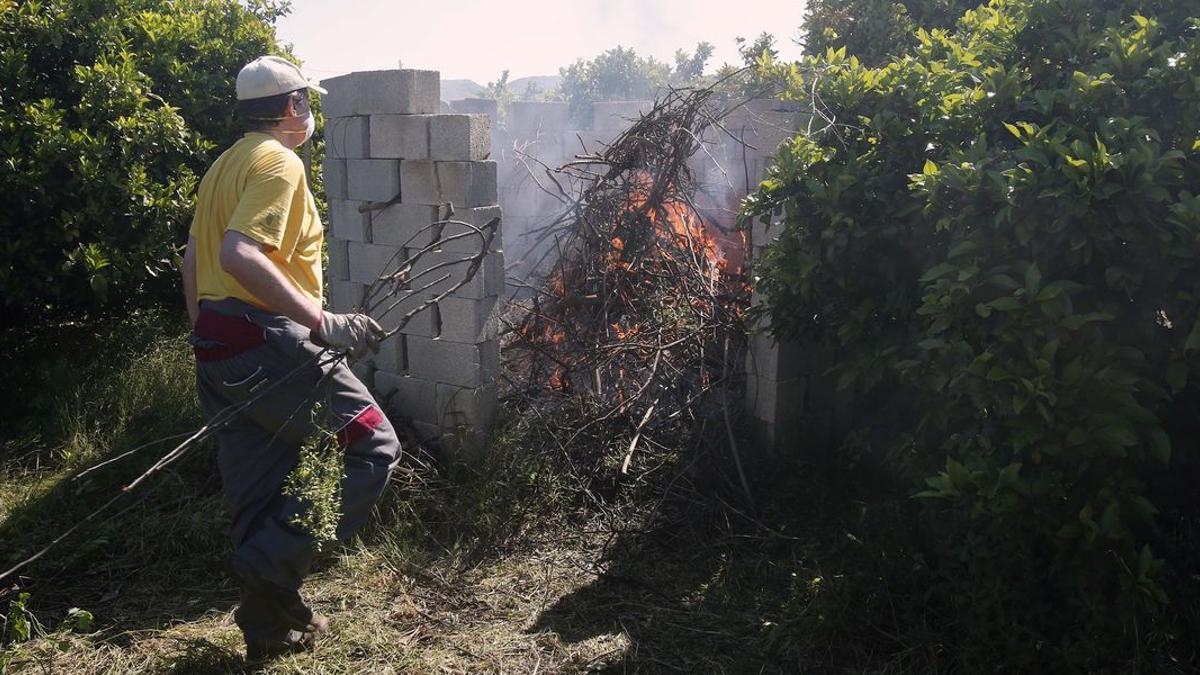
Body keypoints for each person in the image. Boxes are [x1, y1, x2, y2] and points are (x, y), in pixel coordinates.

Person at [180, 55, 401, 661]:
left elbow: (191, 262)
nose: (309, 112)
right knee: (374, 445)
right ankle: (266, 563)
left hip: (221, 345)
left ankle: (268, 631)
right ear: (290, 107)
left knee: (259, 485)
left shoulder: (225, 164)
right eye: (306, 101)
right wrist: (323, 322)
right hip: (265, 339)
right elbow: (239, 255)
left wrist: (211, 334)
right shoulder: (280, 161)